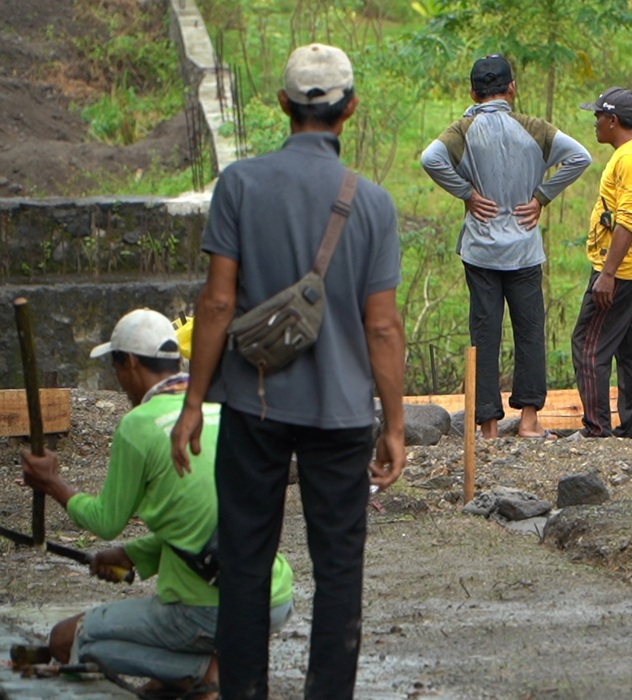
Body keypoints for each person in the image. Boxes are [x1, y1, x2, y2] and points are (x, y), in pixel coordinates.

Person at [170, 43, 407, 699]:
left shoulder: (241, 185)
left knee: (244, 563)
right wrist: (394, 424)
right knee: (338, 569)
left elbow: (218, 301)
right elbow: (381, 325)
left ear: (283, 104)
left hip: (254, 406)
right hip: (341, 416)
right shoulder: (374, 203)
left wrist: (193, 402)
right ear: (350, 109)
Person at [21, 308, 294, 700]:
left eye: (117, 369)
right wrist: (133, 555)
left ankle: (205, 672)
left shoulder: (138, 425)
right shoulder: (218, 410)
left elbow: (105, 520)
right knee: (155, 683)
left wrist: (53, 484)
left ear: (130, 363)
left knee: (66, 641)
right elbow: (206, 524)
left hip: (210, 609)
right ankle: (198, 670)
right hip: (273, 597)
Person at [421, 54, 591, 439]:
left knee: (485, 333)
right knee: (530, 330)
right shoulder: (533, 127)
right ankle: (529, 420)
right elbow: (580, 157)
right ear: (512, 88)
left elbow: (429, 159)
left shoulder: (463, 129)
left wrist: (465, 193)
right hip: (524, 249)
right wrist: (542, 197)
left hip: (481, 249)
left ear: (472, 92)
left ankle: (488, 425)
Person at [571, 87, 632, 438]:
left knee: (588, 345)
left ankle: (597, 429)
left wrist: (607, 274)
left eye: (597, 116)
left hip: (622, 271)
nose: (594, 123)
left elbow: (627, 220)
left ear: (612, 120)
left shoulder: (630, 159)